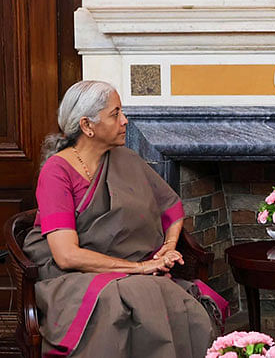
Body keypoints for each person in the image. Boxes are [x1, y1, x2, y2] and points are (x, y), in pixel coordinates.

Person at [23, 81, 221, 357]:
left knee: (171, 299)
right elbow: (66, 256)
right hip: (74, 275)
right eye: (115, 114)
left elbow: (171, 207)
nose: (125, 121)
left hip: (133, 268)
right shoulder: (57, 172)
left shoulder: (125, 159)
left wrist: (169, 246)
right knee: (135, 295)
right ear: (87, 125)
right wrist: (139, 267)